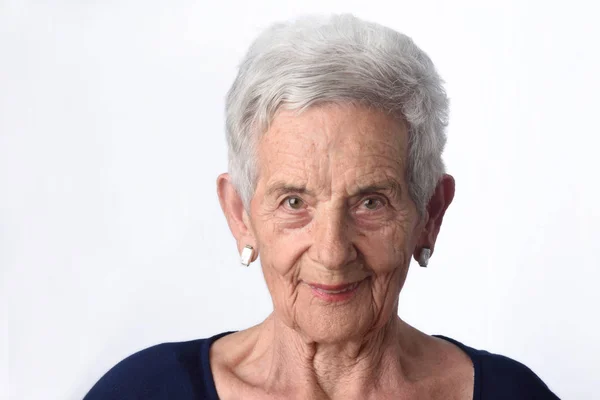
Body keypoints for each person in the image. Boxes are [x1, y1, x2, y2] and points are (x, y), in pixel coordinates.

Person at [84, 14, 559, 400]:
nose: (332, 253)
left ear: (429, 214)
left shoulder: (513, 394)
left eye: (371, 202)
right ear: (239, 214)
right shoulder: (141, 392)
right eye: (294, 202)